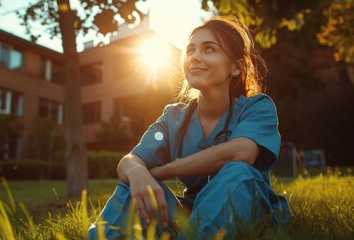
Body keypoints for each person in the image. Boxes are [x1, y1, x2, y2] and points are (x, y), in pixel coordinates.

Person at [88, 16, 291, 239]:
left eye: (209, 49)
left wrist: (161, 172)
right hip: (192, 213)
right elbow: (129, 161)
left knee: (237, 171)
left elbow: (240, 152)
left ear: (236, 67)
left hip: (249, 208)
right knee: (133, 188)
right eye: (191, 50)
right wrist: (139, 174)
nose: (195, 57)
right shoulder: (174, 117)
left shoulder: (257, 106)